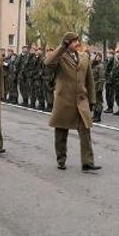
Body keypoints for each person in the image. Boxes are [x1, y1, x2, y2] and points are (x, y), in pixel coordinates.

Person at [45, 32, 100, 172]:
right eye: (73, 41)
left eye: (77, 41)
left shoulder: (84, 57)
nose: (77, 44)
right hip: (64, 100)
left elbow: (90, 80)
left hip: (81, 100)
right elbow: (48, 62)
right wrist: (61, 47)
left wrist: (92, 100)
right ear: (67, 43)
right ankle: (61, 159)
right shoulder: (60, 57)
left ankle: (87, 162)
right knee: (61, 132)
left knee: (85, 131)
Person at [91, 51, 105, 123]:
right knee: (95, 102)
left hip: (97, 86)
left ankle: (98, 116)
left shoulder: (101, 66)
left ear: (100, 57)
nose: (96, 57)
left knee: (98, 102)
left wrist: (100, 87)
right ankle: (95, 114)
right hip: (94, 86)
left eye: (97, 56)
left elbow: (102, 78)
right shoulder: (94, 65)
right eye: (95, 56)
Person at [43, 47, 56, 112]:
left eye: (50, 51)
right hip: (45, 78)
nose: (48, 53)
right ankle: (48, 105)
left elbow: (55, 71)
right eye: (47, 51)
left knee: (51, 94)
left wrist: (51, 78)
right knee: (46, 93)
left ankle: (51, 106)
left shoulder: (54, 61)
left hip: (51, 79)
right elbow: (42, 69)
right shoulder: (44, 60)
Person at [104, 49, 115, 113]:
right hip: (107, 79)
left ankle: (111, 107)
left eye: (110, 53)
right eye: (108, 53)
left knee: (111, 95)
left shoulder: (113, 61)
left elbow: (112, 70)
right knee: (107, 94)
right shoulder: (106, 60)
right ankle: (109, 107)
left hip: (111, 80)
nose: (109, 55)